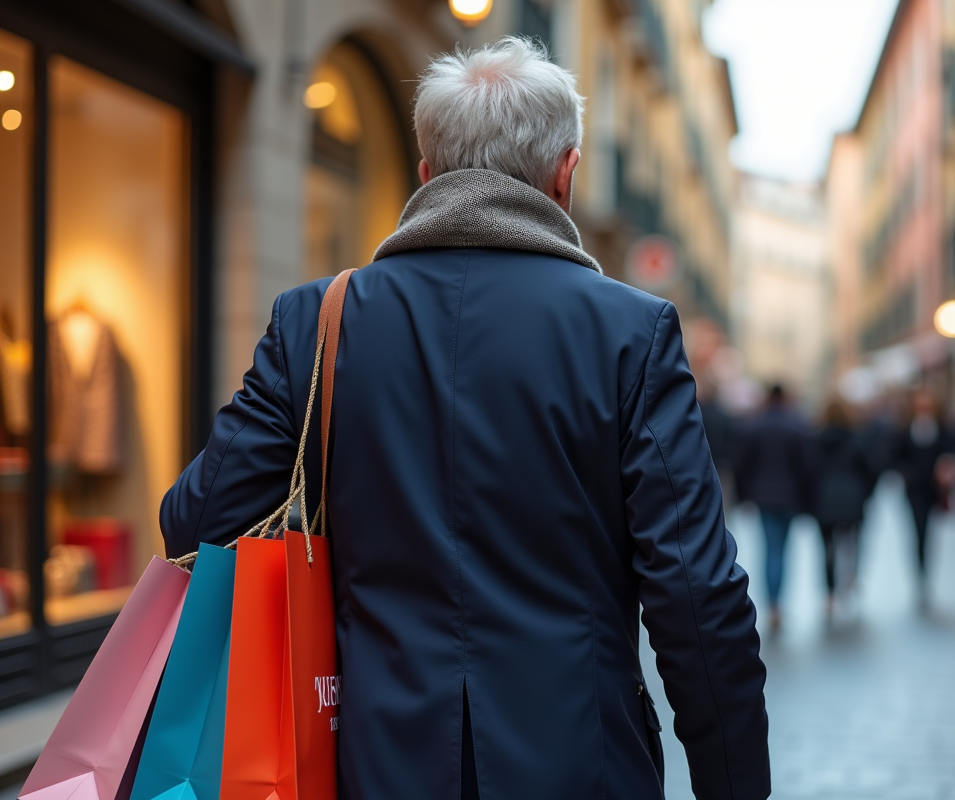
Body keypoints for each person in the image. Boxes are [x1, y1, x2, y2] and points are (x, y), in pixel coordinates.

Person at [160, 38, 769, 800]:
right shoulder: (630, 332)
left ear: (425, 173)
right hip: (583, 767)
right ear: (566, 174)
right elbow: (696, 593)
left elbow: (195, 523)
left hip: (373, 765)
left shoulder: (315, 322)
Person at [733, 383, 809, 634]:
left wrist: (742, 495)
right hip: (789, 497)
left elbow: (742, 464)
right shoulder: (796, 425)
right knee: (783, 550)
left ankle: (772, 604)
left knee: (770, 549)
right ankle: (778, 603)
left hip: (763, 497)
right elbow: (806, 466)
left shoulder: (754, 426)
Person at [811, 398, 875, 620]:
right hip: (851, 499)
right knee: (852, 543)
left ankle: (829, 593)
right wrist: (865, 494)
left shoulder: (815, 440)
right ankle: (850, 579)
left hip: (824, 501)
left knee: (827, 548)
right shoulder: (855, 440)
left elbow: (809, 471)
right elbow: (870, 470)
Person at [893, 387, 955, 607]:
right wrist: (906, 474)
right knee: (918, 532)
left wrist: (946, 469)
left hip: (933, 490)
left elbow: (950, 452)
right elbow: (895, 457)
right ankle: (920, 575)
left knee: (928, 533)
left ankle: (925, 573)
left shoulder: (941, 429)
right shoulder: (905, 430)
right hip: (913, 491)